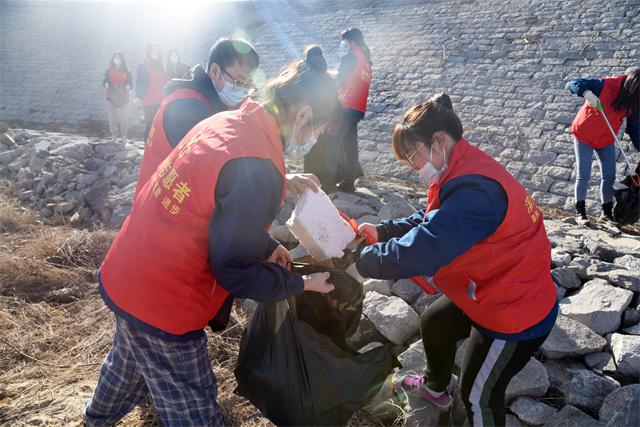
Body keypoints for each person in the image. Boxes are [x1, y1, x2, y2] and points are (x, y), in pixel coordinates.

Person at [81, 60, 343, 426]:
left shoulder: (227, 120)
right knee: (193, 404)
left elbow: (216, 204)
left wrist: (266, 246)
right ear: (303, 115)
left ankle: (94, 420)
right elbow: (233, 268)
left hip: (129, 271)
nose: (314, 139)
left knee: (128, 357)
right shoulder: (259, 162)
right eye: (319, 130)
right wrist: (300, 284)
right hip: (166, 297)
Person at [351, 94, 558, 426]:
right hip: (491, 283)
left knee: (478, 396)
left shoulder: (476, 192)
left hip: (515, 311)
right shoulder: (461, 165)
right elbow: (434, 218)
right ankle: (435, 389)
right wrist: (383, 231)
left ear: (438, 140)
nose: (413, 167)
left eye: (412, 157)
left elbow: (427, 246)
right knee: (434, 322)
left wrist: (363, 264)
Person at [134, 37, 259, 198]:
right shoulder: (187, 107)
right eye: (239, 81)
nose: (241, 89)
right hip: (160, 203)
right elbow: (205, 167)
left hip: (175, 198)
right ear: (215, 71)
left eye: (247, 84)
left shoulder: (212, 99)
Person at [568, 69, 639, 227]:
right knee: (583, 174)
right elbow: (574, 82)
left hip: (606, 139)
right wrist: (587, 93)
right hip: (584, 134)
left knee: (609, 176)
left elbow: (634, 129)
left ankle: (606, 215)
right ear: (633, 87)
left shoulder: (634, 101)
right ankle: (581, 213)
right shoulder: (605, 85)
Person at [324, 28, 372, 193]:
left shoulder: (349, 56)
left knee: (332, 139)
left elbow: (339, 79)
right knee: (350, 144)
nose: (342, 44)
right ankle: (348, 183)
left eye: (344, 41)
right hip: (358, 107)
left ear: (351, 42)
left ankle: (329, 183)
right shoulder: (365, 59)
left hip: (345, 103)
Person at [135, 42, 165, 143]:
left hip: (161, 99)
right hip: (149, 101)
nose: (155, 52)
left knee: (159, 125)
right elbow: (140, 81)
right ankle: (148, 147)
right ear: (148, 51)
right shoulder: (143, 65)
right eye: (153, 50)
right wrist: (138, 96)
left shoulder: (160, 65)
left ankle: (156, 147)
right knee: (150, 124)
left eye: (157, 50)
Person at [103, 51, 132, 145]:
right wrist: (106, 84)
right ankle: (113, 135)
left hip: (124, 96)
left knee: (124, 117)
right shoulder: (108, 70)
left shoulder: (126, 71)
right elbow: (105, 80)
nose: (117, 59)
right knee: (112, 117)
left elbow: (130, 83)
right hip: (111, 96)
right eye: (115, 57)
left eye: (119, 58)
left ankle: (124, 135)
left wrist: (128, 86)